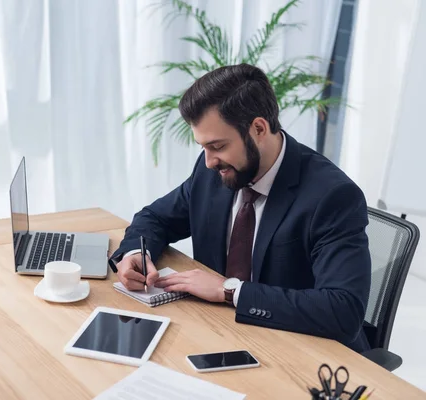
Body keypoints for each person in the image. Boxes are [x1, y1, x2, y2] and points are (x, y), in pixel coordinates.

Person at [110, 63, 372, 353]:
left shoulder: (332, 196)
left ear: (259, 128)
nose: (209, 161)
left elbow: (343, 310)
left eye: (218, 146)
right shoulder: (214, 170)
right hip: (220, 334)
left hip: (302, 352)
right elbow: (156, 217)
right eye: (203, 148)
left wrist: (229, 291)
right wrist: (136, 253)